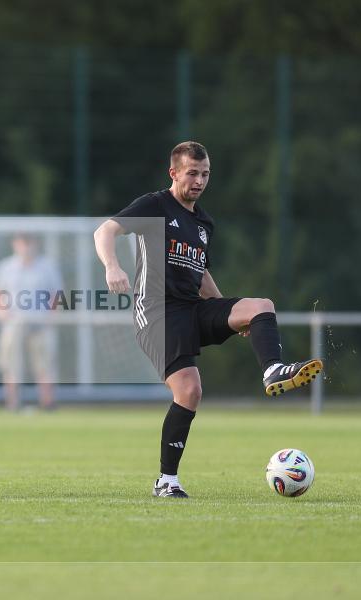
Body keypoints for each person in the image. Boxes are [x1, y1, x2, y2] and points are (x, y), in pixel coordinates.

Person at [93, 141, 323, 498]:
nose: (199, 181)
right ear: (173, 173)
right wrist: (112, 266)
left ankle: (272, 369)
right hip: (157, 312)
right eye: (192, 173)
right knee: (190, 389)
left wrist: (228, 314)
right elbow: (104, 231)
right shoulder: (155, 205)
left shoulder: (203, 222)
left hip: (191, 308)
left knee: (261, 306)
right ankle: (166, 481)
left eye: (205, 174)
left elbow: (200, 276)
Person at [0, 233, 63, 411]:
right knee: (11, 364)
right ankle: (12, 403)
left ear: (35, 244)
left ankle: (47, 403)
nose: (26, 247)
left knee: (44, 364)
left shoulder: (47, 266)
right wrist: (2, 313)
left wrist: (51, 316)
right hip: (13, 323)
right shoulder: (6, 266)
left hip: (41, 323)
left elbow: (57, 294)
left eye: (29, 242)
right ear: (15, 244)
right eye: (22, 243)